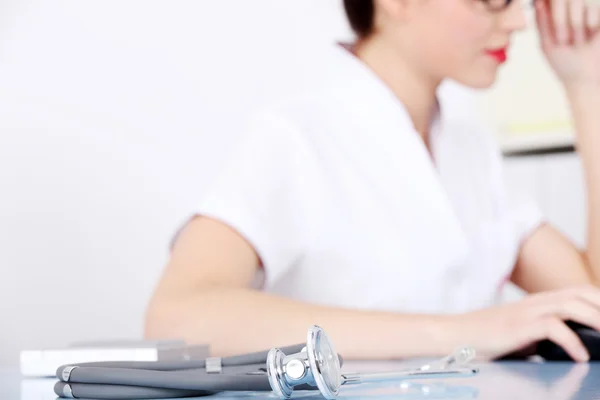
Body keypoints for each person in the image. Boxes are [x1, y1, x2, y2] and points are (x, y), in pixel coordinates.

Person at [144, 0, 600, 363]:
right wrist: (460, 332)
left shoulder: (470, 153)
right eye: (492, 1)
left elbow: (592, 301)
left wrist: (585, 85)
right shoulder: (296, 138)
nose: (520, 21)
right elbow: (178, 315)